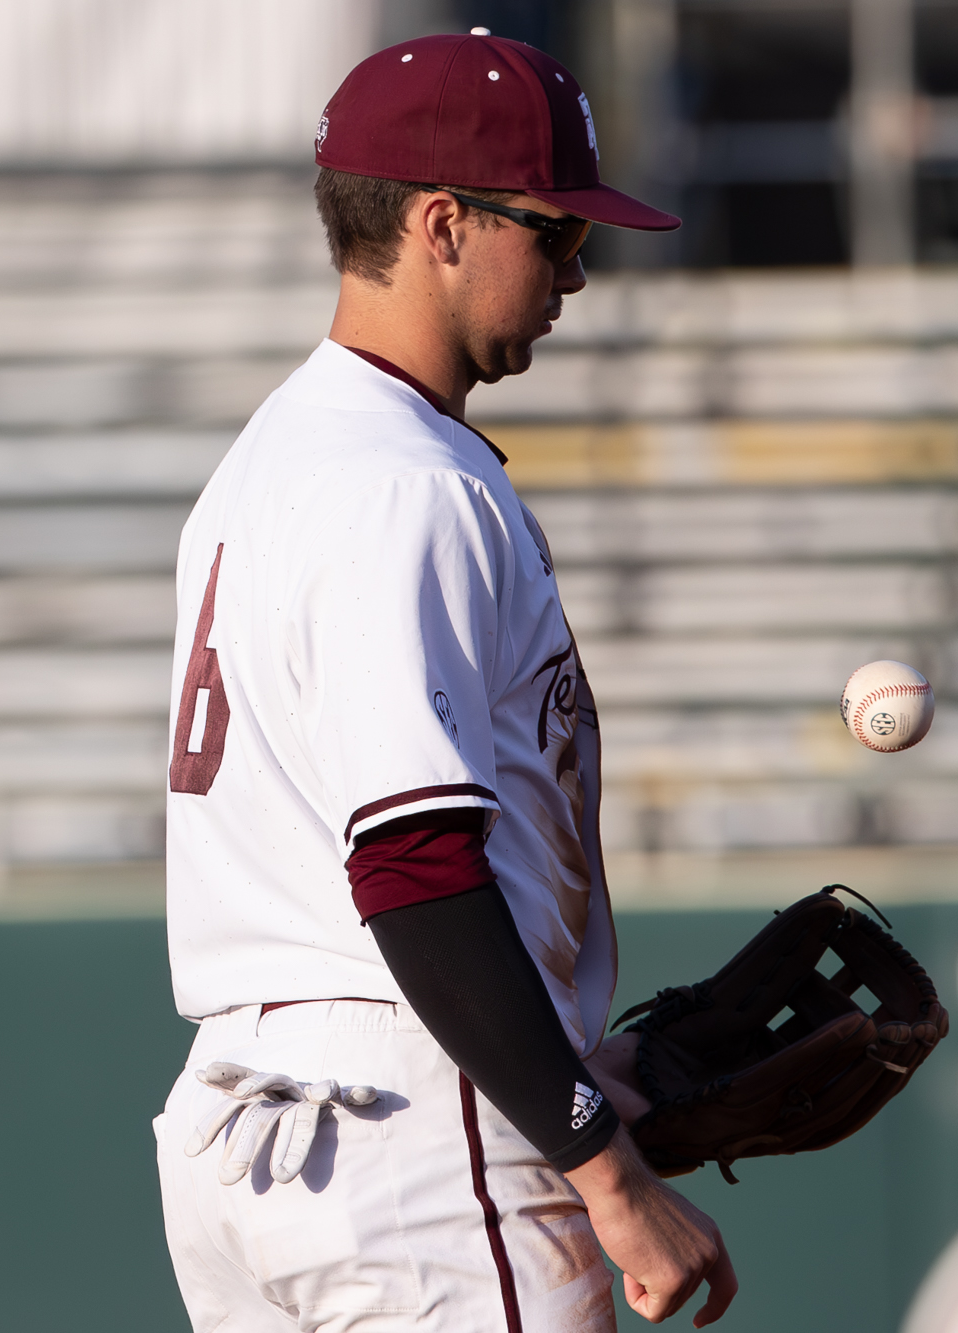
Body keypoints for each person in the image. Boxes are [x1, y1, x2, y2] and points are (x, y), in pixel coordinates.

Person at [152, 30, 737, 1333]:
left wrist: (583, 1065)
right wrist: (598, 1157)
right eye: (555, 231)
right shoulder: (402, 480)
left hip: (246, 1120)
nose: (579, 270)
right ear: (441, 223)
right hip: (413, 1128)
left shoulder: (262, 464)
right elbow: (413, 863)